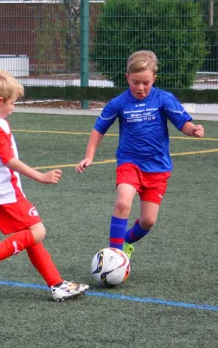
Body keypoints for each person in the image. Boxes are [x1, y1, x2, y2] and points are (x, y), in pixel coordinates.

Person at [0, 69, 89, 301]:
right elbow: (9, 160)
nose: (13, 108)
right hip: (6, 192)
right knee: (38, 231)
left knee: (29, 235)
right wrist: (41, 177)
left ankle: (56, 284)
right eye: (12, 103)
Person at [76, 51, 205, 259]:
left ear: (154, 78)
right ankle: (114, 256)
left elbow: (183, 123)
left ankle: (125, 242)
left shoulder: (164, 99)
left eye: (146, 82)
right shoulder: (119, 102)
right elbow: (98, 128)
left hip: (158, 168)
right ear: (127, 77)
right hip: (130, 163)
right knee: (123, 202)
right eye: (135, 82)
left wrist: (194, 129)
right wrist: (89, 156)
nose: (141, 88)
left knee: (148, 222)